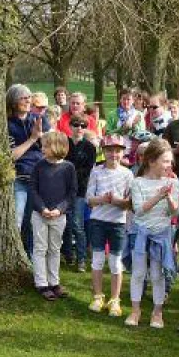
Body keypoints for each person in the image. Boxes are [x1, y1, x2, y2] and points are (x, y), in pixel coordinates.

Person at [126, 139, 179, 328]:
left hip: (161, 233)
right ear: (151, 161)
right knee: (138, 273)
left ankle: (157, 313)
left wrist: (170, 198)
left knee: (158, 274)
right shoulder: (138, 182)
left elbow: (175, 213)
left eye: (170, 162)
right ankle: (135, 310)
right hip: (140, 233)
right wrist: (159, 196)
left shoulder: (173, 182)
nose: (169, 165)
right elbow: (139, 210)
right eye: (165, 161)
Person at [86, 135, 133, 317]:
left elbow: (130, 202)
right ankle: (98, 296)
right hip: (98, 221)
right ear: (103, 152)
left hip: (118, 223)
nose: (113, 154)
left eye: (117, 150)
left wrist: (117, 201)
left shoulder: (127, 174)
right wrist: (103, 199)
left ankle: (115, 299)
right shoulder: (96, 171)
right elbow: (90, 198)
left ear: (123, 152)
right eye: (109, 150)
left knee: (115, 261)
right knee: (97, 259)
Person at [29, 131, 75, 301]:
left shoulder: (68, 167)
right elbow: (32, 189)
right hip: (40, 215)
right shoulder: (39, 166)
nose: (42, 148)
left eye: (46, 145)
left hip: (58, 216)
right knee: (40, 248)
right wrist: (42, 208)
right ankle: (41, 283)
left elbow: (72, 192)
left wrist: (59, 209)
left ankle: (54, 282)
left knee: (55, 249)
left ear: (56, 147)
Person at [8, 84, 43, 256]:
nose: (28, 100)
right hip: (20, 179)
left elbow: (52, 149)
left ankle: (30, 258)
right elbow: (11, 156)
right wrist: (32, 139)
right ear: (14, 102)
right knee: (17, 221)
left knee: (34, 222)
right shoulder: (7, 125)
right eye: (23, 97)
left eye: (29, 96)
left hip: (40, 178)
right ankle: (15, 256)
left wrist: (42, 138)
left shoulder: (38, 120)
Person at [65, 115, 97, 271]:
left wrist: (71, 173)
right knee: (64, 224)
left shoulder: (90, 147)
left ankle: (81, 258)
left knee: (78, 225)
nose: (79, 128)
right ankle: (67, 255)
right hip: (62, 189)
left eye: (83, 125)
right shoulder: (64, 143)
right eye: (76, 125)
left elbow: (88, 169)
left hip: (79, 190)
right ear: (70, 126)